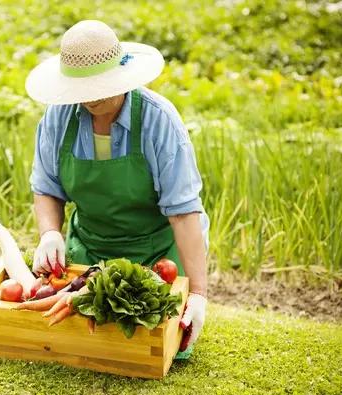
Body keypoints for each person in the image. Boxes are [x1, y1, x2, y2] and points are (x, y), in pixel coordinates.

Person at [25, 20, 209, 357]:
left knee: (161, 348)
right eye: (83, 88)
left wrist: (197, 293)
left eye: (100, 84)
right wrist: (50, 233)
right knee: (78, 343)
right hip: (91, 255)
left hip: (157, 258)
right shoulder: (57, 118)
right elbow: (47, 188)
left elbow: (184, 213)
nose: (91, 97)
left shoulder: (158, 120)